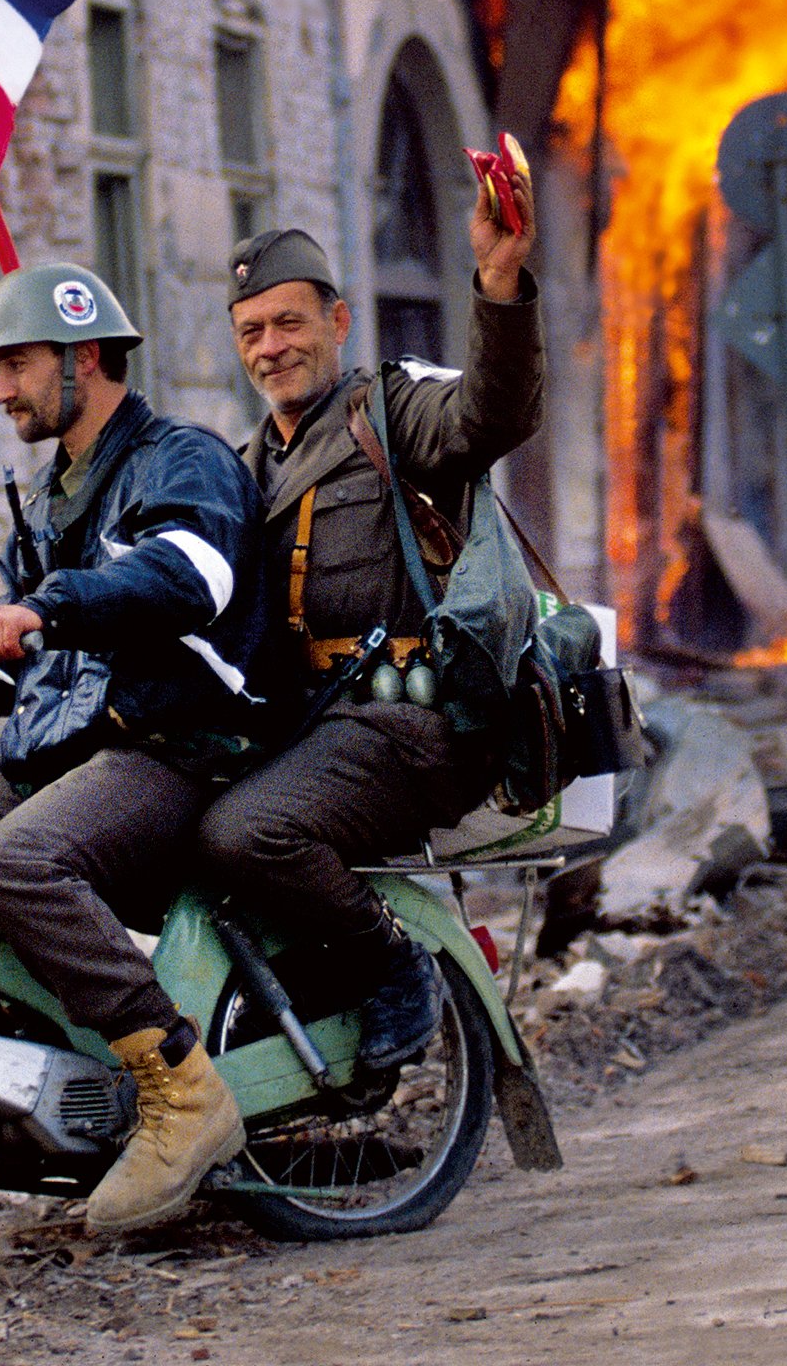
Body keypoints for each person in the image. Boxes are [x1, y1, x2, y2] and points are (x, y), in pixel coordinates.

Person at [0, 262, 274, 1235]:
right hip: (77, 748)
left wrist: (40, 606)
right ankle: (45, 1093)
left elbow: (187, 576)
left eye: (17, 364)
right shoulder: (47, 499)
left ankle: (184, 1097)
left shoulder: (180, 460)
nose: (0, 391)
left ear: (85, 358)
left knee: (15, 863)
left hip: (179, 740)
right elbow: (46, 662)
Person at [197, 168, 541, 1073]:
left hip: (412, 724)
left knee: (247, 833)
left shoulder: (391, 411)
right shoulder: (242, 466)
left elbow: (490, 414)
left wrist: (498, 283)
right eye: (251, 332)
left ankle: (393, 967)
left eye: (289, 322)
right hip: (306, 730)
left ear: (338, 323)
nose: (272, 347)